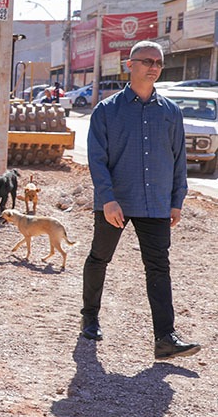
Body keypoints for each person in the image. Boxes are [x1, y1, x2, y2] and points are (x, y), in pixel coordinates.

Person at [80, 41, 200, 359]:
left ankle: (165, 338)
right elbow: (97, 159)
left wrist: (177, 200)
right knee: (99, 258)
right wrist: (107, 199)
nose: (153, 67)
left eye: (158, 62)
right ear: (129, 64)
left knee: (159, 268)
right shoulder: (107, 111)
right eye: (147, 61)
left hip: (157, 203)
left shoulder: (171, 113)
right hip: (116, 202)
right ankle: (89, 318)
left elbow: (178, 160)